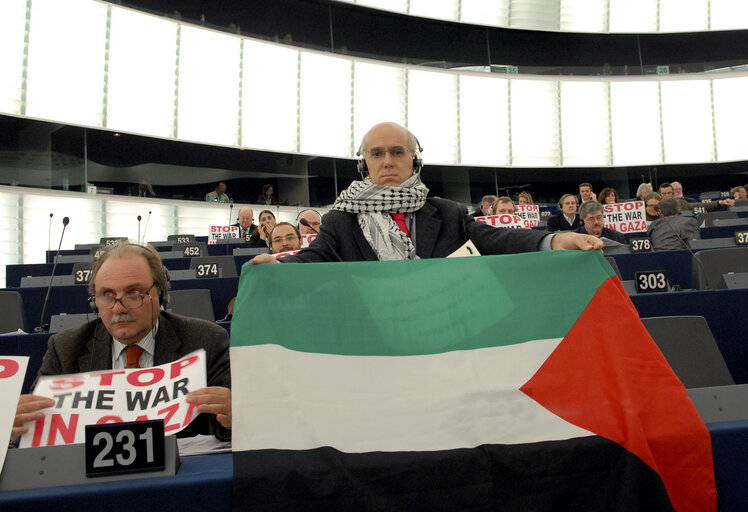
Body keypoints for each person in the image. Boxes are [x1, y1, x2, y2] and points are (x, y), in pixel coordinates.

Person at [250, 122, 601, 264]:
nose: (387, 161)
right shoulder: (340, 220)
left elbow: (495, 239)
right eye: (377, 153)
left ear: (414, 161)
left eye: (397, 152)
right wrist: (279, 267)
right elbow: (317, 258)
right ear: (364, 164)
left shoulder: (447, 213)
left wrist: (555, 241)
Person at [11, 241, 231, 442]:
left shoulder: (206, 341)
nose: (118, 308)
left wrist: (234, 416)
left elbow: (225, 429)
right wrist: (14, 427)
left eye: (133, 292)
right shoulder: (65, 348)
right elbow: (35, 435)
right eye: (107, 294)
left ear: (161, 295)